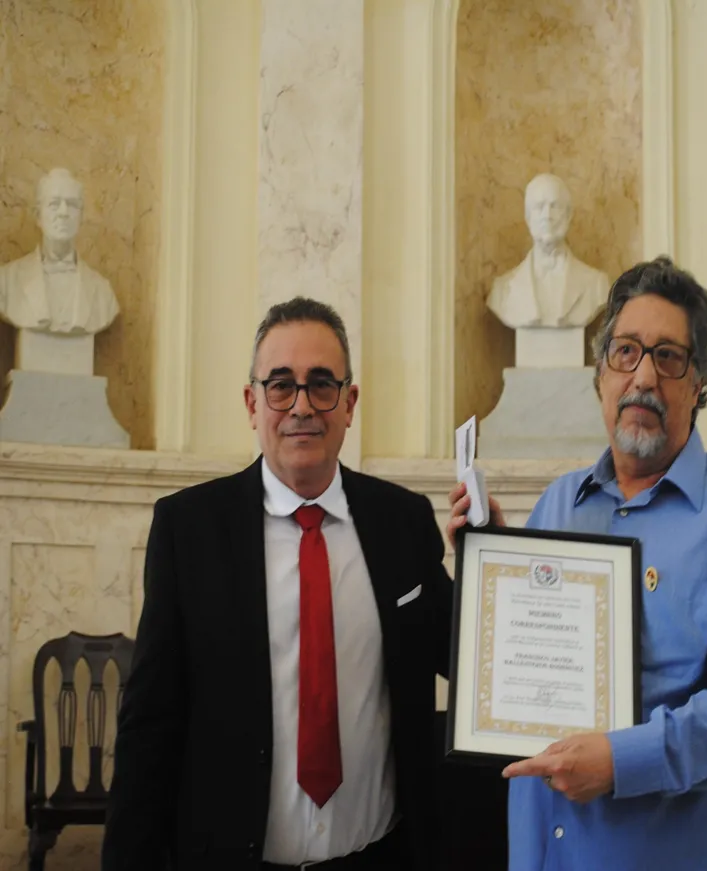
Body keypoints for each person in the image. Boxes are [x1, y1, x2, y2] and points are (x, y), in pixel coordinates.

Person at [449, 257, 707, 869]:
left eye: (668, 357)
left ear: (697, 386)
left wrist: (622, 763)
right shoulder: (559, 503)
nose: (643, 375)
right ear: (600, 377)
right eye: (625, 352)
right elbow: (517, 684)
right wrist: (497, 568)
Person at [104, 298, 452, 871]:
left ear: (350, 403)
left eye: (322, 385)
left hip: (381, 855)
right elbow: (150, 724)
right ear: (251, 402)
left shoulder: (404, 522)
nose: (301, 407)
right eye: (280, 385)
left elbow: (462, 656)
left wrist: (494, 560)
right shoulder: (189, 531)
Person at [0, 168, 119, 335]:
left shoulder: (102, 292)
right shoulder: (6, 282)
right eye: (54, 204)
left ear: (82, 216)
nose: (63, 213)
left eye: (72, 205)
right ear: (38, 216)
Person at [486, 173, 609, 330]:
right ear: (528, 217)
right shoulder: (502, 291)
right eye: (539, 207)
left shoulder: (596, 285)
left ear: (568, 214)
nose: (547, 216)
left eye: (555, 206)